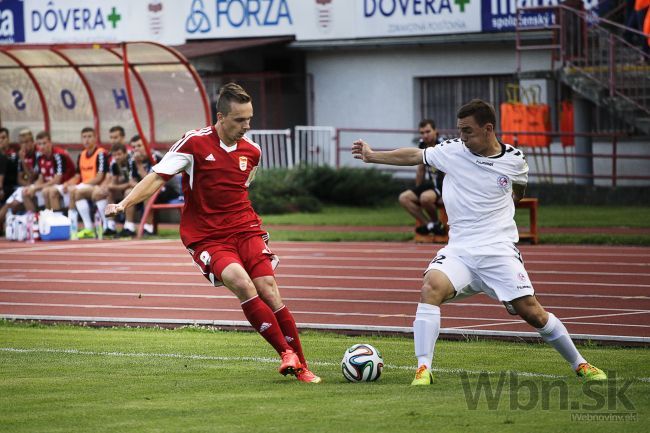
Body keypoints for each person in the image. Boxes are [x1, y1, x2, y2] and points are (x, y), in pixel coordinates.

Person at [352, 99, 607, 384]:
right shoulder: (453, 151)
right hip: (460, 250)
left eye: (468, 131)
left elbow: (519, 188)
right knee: (430, 287)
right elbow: (415, 155)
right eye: (460, 130)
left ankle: (580, 363)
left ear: (488, 129)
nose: (462, 137)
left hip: (498, 252)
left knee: (533, 313)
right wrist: (373, 156)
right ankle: (423, 368)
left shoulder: (515, 160)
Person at [106, 83, 321, 383]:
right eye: (239, 120)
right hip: (207, 236)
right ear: (221, 117)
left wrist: (254, 227)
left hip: (245, 229)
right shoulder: (193, 144)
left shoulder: (253, 151)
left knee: (269, 289)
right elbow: (156, 177)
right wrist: (125, 202)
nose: (246, 126)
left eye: (249, 119)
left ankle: (303, 366)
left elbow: (241, 190)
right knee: (241, 282)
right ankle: (287, 354)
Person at [398, 119, 445, 236]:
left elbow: (451, 170)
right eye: (422, 133)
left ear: (435, 131)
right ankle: (429, 225)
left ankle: (436, 222)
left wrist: (447, 194)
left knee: (425, 198)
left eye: (428, 131)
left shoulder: (443, 145)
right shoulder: (422, 144)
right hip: (431, 184)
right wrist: (418, 189)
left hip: (443, 184)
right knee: (404, 198)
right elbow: (420, 170)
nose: (425, 135)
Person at [60, 127, 108, 239]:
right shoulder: (81, 155)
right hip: (85, 187)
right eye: (84, 137)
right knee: (73, 192)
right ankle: (84, 228)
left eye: (90, 136)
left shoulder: (100, 153)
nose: (87, 140)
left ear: (95, 138)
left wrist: (80, 185)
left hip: (98, 186)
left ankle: (104, 226)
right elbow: (77, 176)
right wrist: (67, 183)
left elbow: (99, 177)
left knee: (76, 191)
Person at [22, 131, 75, 212]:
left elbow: (57, 180)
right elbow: (41, 178)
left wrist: (36, 188)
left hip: (65, 183)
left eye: (44, 143)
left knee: (48, 191)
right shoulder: (40, 156)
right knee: (25, 192)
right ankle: (34, 219)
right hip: (50, 184)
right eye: (39, 144)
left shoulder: (58, 155)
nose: (42, 146)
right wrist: (32, 187)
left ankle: (56, 220)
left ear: (50, 143)